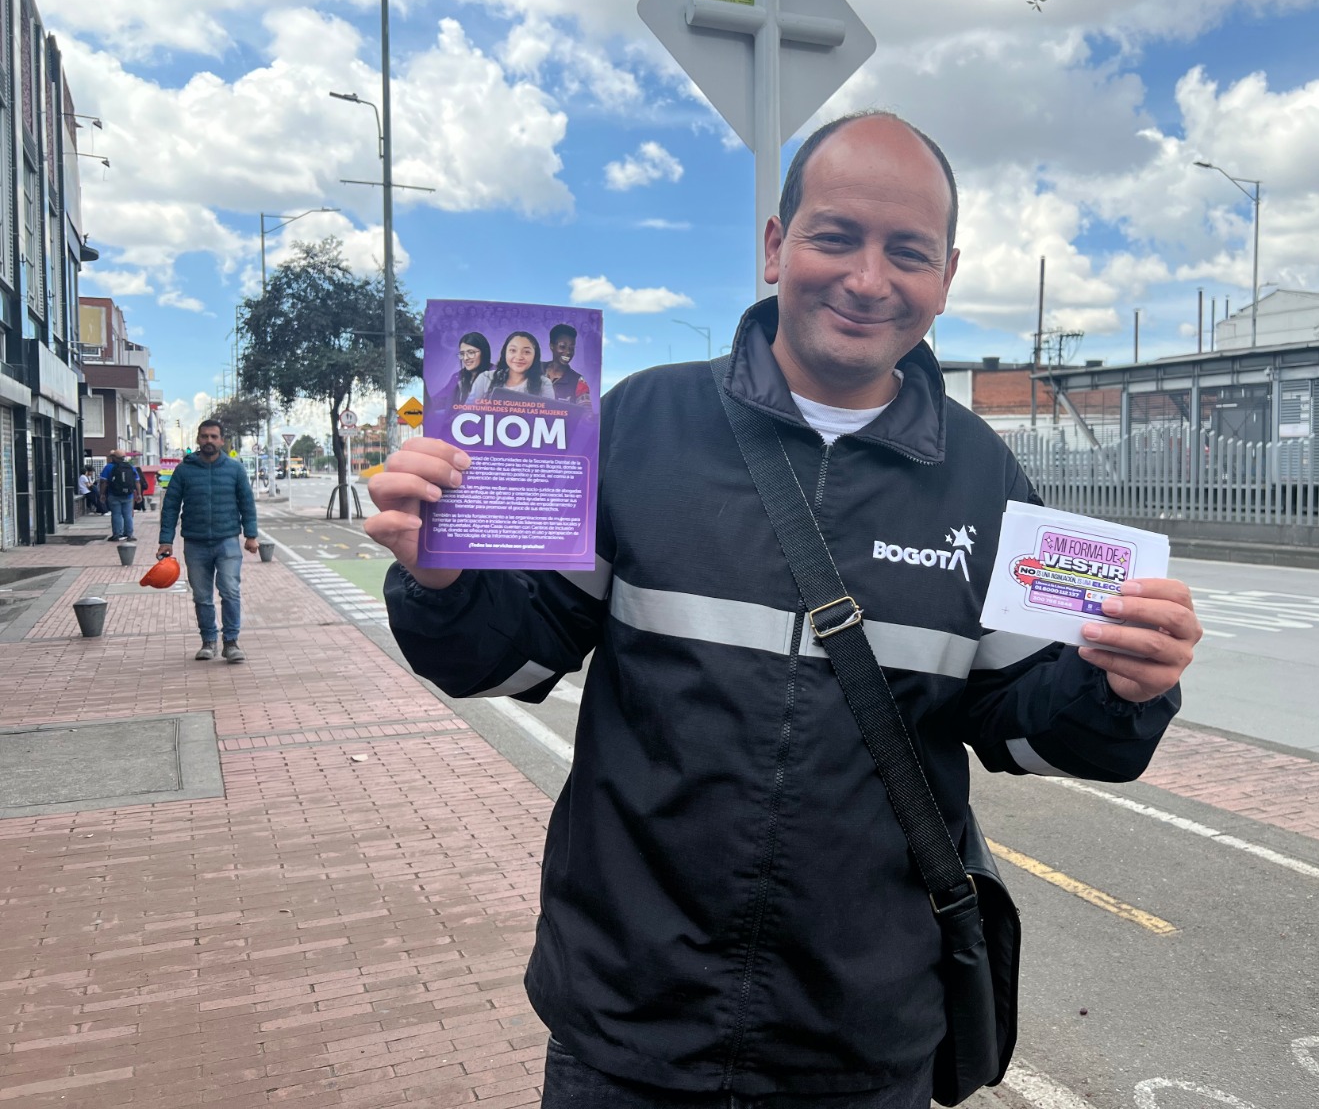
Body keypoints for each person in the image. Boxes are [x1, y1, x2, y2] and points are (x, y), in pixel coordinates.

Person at [367, 112, 1202, 1106]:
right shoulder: (637, 423)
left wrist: (1121, 687)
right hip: (627, 1031)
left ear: (946, 274)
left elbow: (1022, 727)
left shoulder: (984, 480)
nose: (866, 278)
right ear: (775, 245)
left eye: (908, 252)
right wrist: (443, 580)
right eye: (835, 236)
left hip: (861, 1043)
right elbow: (501, 662)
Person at [156, 420, 260, 663]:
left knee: (230, 591)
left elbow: (247, 504)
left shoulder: (235, 469)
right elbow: (170, 506)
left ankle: (231, 642)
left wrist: (251, 535)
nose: (209, 441)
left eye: (214, 437)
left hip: (227, 541)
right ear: (198, 440)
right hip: (195, 542)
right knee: (202, 596)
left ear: (222, 441)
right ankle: (208, 641)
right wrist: (165, 540)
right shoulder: (184, 470)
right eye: (204, 437)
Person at [467, 331, 555, 404]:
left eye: (526, 352)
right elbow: (467, 413)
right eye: (513, 350)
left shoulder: (543, 383)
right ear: (505, 352)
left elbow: (551, 417)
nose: (519, 357)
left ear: (535, 356)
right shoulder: (486, 378)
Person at [435, 330, 494, 409]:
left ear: (484, 352)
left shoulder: (498, 375)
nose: (465, 358)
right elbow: (439, 400)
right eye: (462, 354)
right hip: (461, 419)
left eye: (471, 352)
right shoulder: (458, 377)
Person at [544, 323, 590, 407]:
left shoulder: (578, 381)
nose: (568, 352)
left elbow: (586, 414)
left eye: (571, 348)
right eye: (562, 346)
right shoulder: (533, 369)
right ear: (551, 346)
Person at [100, 450, 141, 541]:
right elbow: (137, 481)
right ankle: (129, 535)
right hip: (128, 496)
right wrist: (139, 494)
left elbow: (104, 482)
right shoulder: (130, 467)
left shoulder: (108, 467)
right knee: (128, 515)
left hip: (113, 495)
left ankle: (117, 535)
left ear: (114, 457)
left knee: (116, 514)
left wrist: (102, 494)